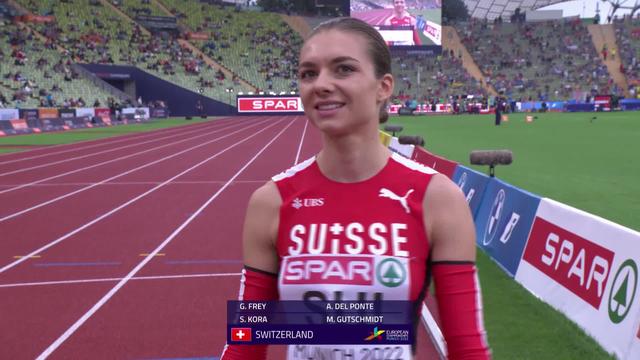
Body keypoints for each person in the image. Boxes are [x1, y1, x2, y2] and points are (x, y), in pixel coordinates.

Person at [221, 18, 490, 359]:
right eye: (308, 73)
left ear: (384, 87)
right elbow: (246, 341)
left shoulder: (438, 199)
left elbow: (467, 349)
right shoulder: (271, 202)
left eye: (343, 69)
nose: (321, 84)